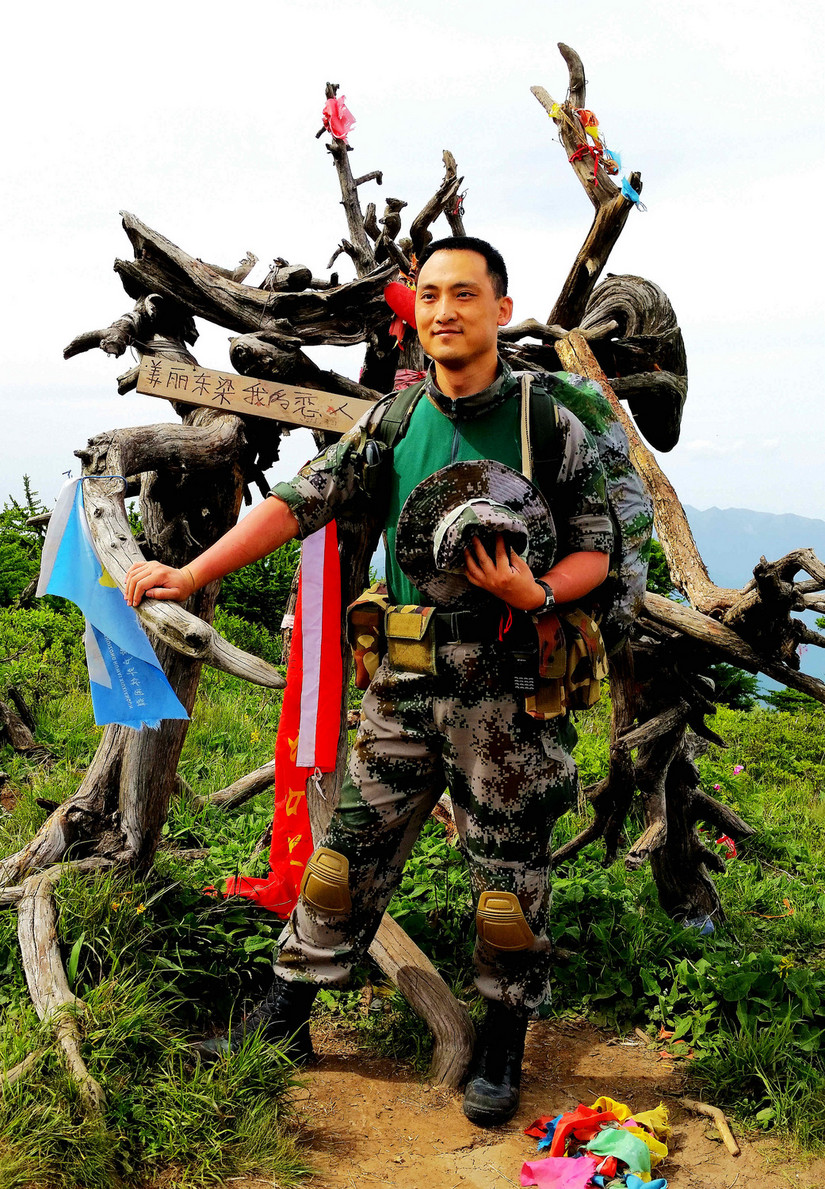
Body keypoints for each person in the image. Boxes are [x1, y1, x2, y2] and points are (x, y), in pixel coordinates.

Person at [125, 236, 613, 1127]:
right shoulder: (392, 422)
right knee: (343, 860)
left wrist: (534, 591)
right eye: (428, 294)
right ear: (415, 311)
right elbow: (296, 501)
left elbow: (597, 547)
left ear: (500, 311)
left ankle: (502, 1040)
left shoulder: (552, 425)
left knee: (507, 884)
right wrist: (191, 575)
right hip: (404, 680)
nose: (442, 311)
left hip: (507, 689)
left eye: (463, 294)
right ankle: (283, 1020)